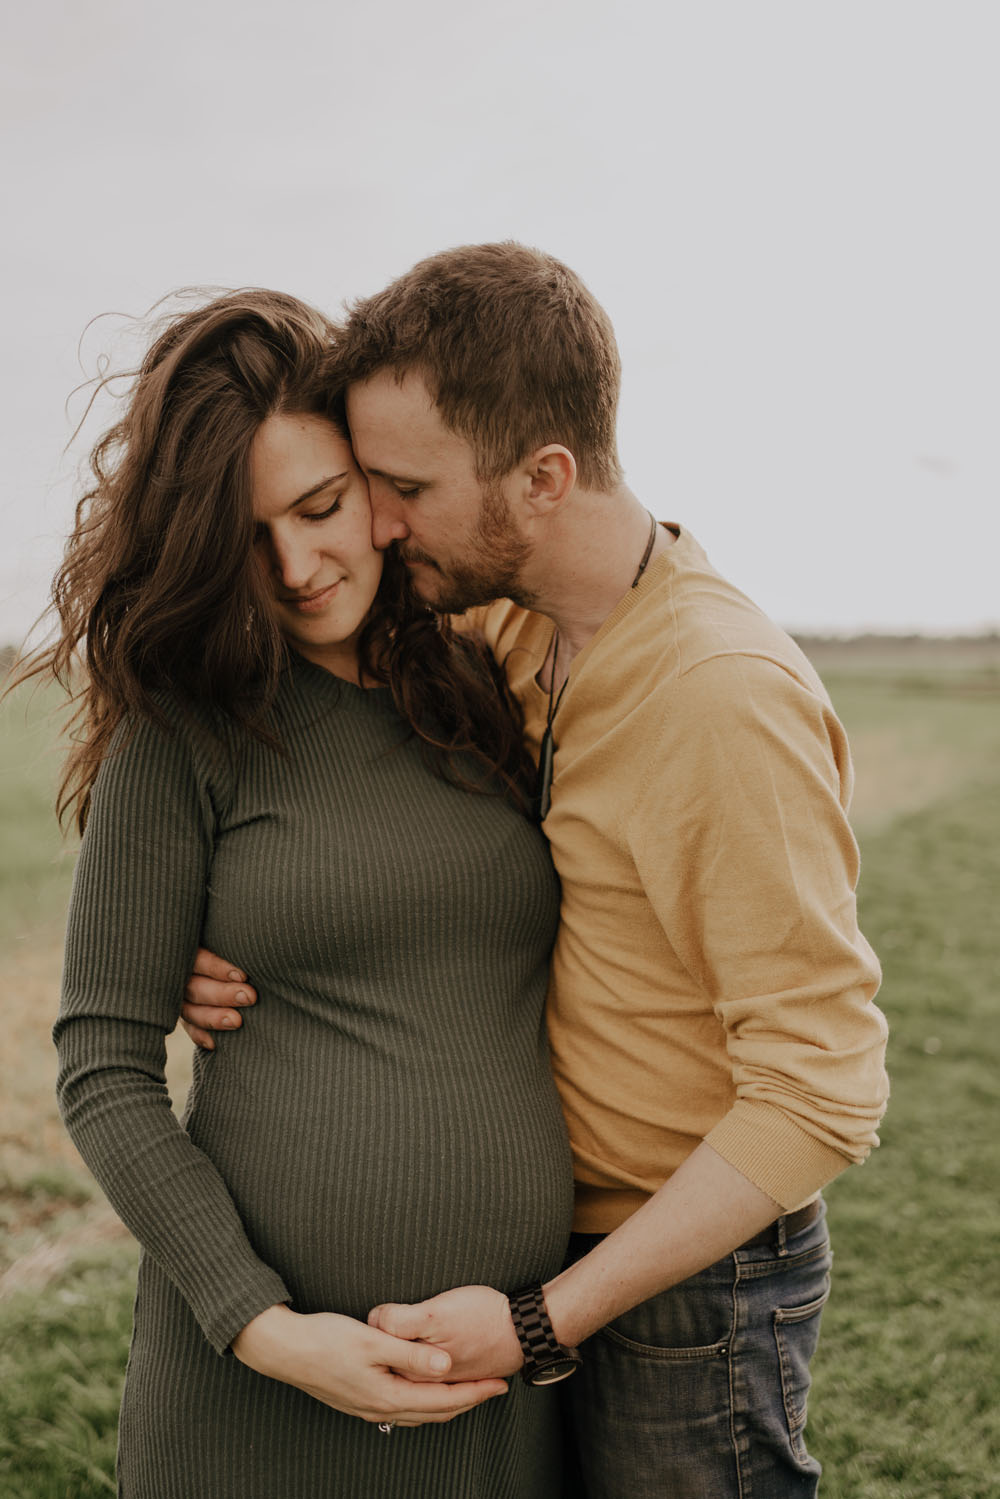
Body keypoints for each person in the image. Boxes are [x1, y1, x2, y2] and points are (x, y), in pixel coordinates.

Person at [184, 244, 891, 1498]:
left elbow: (821, 1089)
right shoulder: (497, 624)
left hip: (689, 1291)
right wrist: (228, 941)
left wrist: (541, 1318)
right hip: (555, 1259)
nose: (379, 522)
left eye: (404, 485)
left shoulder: (721, 699)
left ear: (544, 477)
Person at [26, 289, 576, 1498]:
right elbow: (103, 1066)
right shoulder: (185, 732)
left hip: (498, 1374)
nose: (294, 565)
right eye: (247, 532)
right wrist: (267, 1326)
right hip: (254, 1386)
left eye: (322, 506)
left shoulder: (492, 684)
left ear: (381, 481)